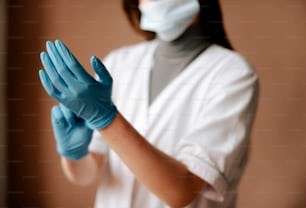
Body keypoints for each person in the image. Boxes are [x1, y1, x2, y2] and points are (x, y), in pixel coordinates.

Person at [38, 0, 259, 207]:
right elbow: (87, 174)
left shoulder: (233, 74)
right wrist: (74, 154)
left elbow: (181, 192)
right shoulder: (119, 62)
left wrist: (106, 120)